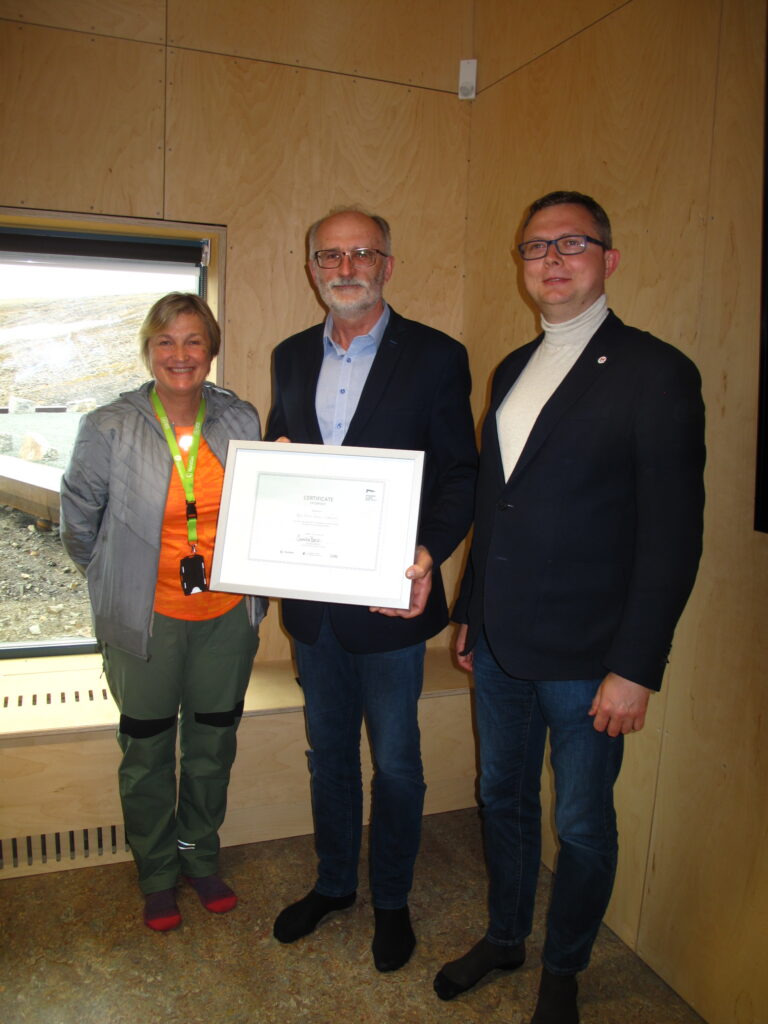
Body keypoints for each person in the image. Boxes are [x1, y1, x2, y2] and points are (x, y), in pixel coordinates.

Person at [433, 192, 705, 1023]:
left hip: (592, 658)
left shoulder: (657, 372)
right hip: (504, 645)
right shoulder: (512, 368)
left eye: (573, 244)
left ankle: (565, 966)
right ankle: (507, 935)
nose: (552, 260)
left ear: (609, 260)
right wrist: (471, 612)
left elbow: (672, 536)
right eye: (535, 247)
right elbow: (495, 505)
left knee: (583, 823)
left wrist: (636, 667)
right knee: (501, 797)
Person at [266, 208, 477, 971]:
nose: (345, 265)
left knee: (397, 763)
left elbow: (460, 472)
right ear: (311, 265)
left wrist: (427, 553)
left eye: (362, 253)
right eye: (330, 254)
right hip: (316, 608)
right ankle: (333, 886)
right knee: (329, 755)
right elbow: (282, 453)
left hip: (393, 600)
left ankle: (391, 899)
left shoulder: (436, 355)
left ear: (388, 263)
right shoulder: (290, 355)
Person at [60, 292, 266, 931]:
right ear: (148, 350)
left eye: (194, 341)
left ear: (212, 350)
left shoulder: (240, 420)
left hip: (227, 617)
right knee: (147, 749)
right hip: (143, 621)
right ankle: (155, 871)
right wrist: (119, 580)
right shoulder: (109, 426)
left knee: (212, 742)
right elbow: (77, 524)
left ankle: (199, 856)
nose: (180, 354)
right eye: (166, 341)